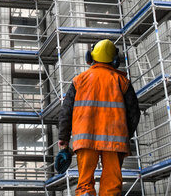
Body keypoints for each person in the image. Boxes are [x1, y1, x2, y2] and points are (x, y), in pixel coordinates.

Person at [55, 39, 140, 196]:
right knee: (112, 184)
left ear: (90, 57)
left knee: (84, 182)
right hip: (115, 140)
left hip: (85, 139)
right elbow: (134, 114)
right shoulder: (122, 82)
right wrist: (125, 135)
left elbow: (65, 112)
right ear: (115, 61)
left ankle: (86, 193)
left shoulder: (79, 81)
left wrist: (64, 141)